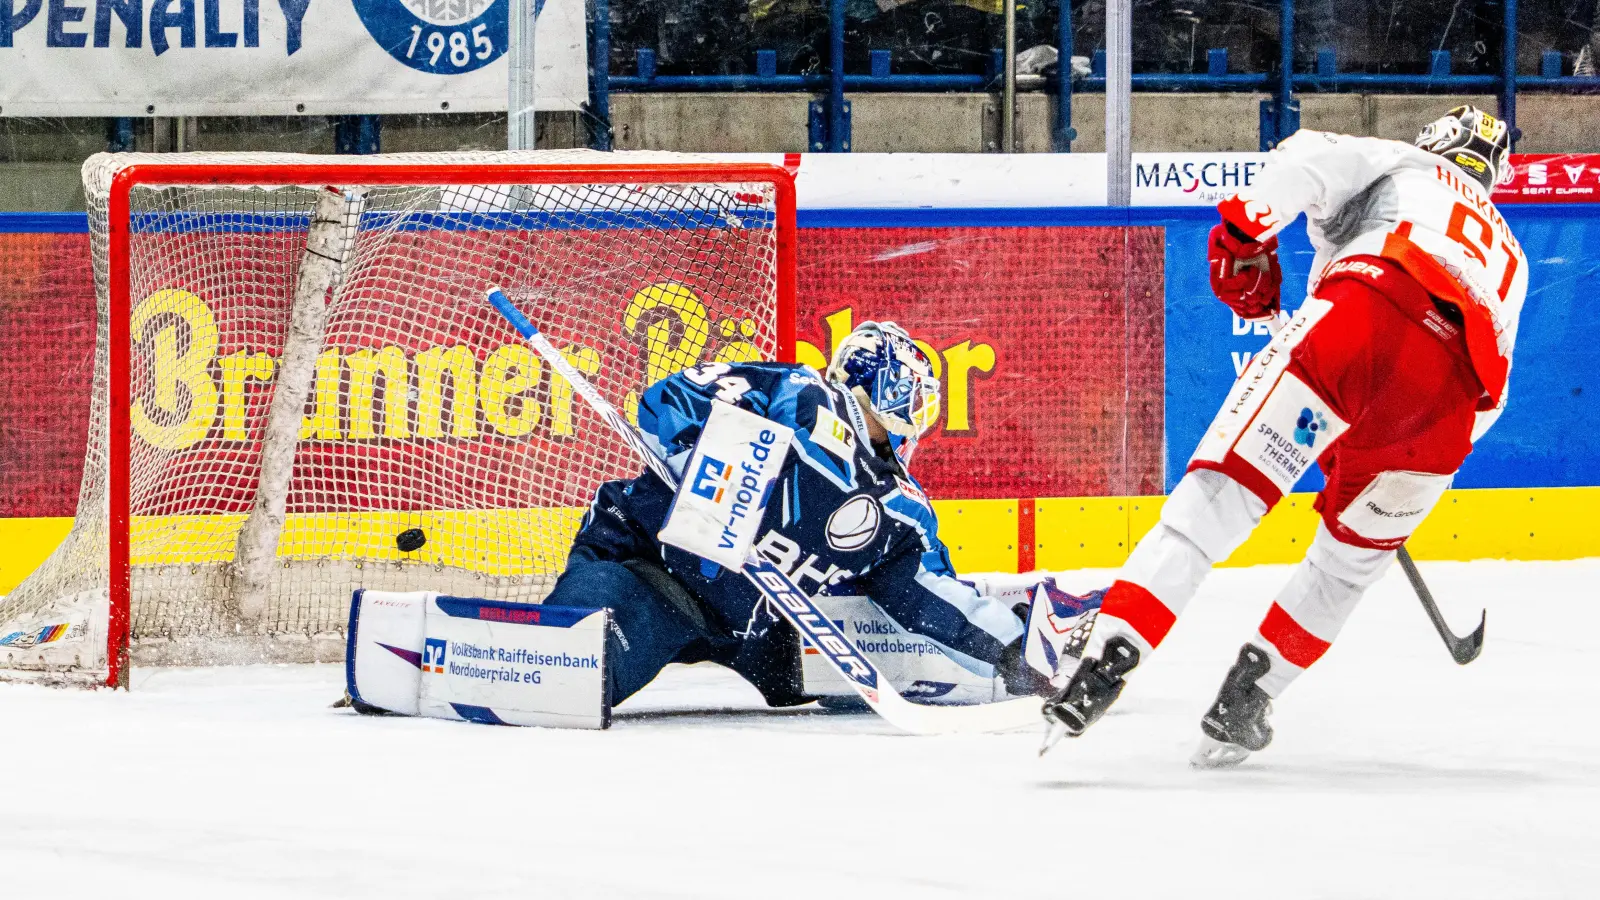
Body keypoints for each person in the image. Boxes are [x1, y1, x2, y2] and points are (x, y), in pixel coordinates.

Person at [1041, 106, 1528, 766]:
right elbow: (1486, 398)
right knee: (1347, 567)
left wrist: (1246, 237)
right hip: (1442, 415)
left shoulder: (1406, 164)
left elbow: (1301, 157)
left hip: (1363, 317)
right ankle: (1247, 699)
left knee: (1217, 501)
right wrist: (1386, 444)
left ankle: (1104, 664)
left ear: (1437, 142)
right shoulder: (1512, 258)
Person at [545, 321, 1094, 710]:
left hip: (749, 625)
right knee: (582, 663)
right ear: (888, 384)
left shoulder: (900, 509)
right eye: (918, 396)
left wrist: (1014, 653)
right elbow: (671, 399)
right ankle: (547, 643)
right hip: (655, 569)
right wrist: (705, 460)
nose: (920, 415)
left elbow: (929, 597)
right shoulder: (801, 393)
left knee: (815, 681)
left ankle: (1037, 635)